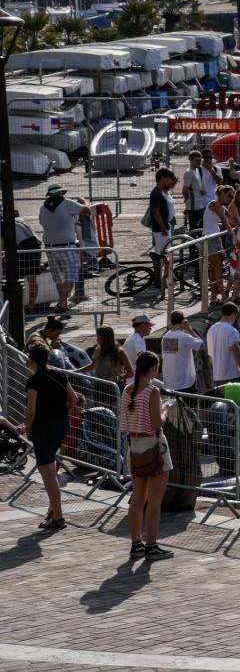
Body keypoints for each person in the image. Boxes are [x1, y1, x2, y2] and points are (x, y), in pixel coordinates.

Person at [120, 350, 173, 560]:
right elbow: (156, 423)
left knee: (138, 497)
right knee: (155, 500)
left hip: (134, 447)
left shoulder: (127, 390)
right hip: (153, 446)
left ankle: (136, 544)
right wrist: (166, 409)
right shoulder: (152, 391)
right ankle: (151, 545)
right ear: (152, 369)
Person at [24, 342, 76, 530]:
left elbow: (31, 411)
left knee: (48, 475)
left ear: (32, 360)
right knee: (51, 471)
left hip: (43, 429)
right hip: (61, 425)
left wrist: (28, 429)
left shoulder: (33, 381)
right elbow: (74, 398)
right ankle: (53, 510)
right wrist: (64, 412)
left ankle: (58, 517)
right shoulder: (59, 374)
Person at [38, 184, 86, 311]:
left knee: (59, 277)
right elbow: (86, 210)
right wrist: (86, 203)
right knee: (71, 275)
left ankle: (62, 304)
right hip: (66, 246)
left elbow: (42, 223)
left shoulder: (43, 207)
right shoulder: (66, 203)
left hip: (49, 246)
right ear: (61, 193)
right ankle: (63, 303)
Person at [147, 168, 178, 291]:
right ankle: (159, 279)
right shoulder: (156, 193)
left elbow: (171, 186)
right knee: (161, 254)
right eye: (169, 178)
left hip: (166, 227)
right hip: (161, 229)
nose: (171, 181)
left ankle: (166, 277)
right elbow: (155, 212)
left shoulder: (163, 191)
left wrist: (173, 180)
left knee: (166, 254)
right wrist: (163, 227)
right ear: (162, 178)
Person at [159, 310, 204, 394]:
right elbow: (201, 345)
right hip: (185, 383)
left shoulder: (165, 337)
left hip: (169, 383)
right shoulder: (184, 337)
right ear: (183, 321)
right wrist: (190, 329)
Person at [206, 302, 240, 389]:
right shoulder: (232, 331)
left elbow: (210, 357)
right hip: (232, 376)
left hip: (217, 377)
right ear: (234, 314)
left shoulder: (211, 330)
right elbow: (237, 355)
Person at [180, 150, 211, 233]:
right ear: (190, 160)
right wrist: (188, 199)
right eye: (197, 160)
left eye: (200, 160)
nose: (199, 162)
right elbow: (184, 190)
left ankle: (196, 244)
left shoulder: (196, 170)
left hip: (200, 204)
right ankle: (192, 245)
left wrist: (201, 191)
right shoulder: (189, 172)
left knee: (199, 226)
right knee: (194, 228)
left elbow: (195, 187)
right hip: (193, 206)